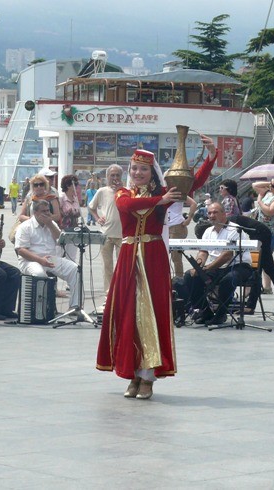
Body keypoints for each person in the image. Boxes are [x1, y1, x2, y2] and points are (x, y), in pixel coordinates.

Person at [96, 149, 183, 400]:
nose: (138, 173)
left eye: (143, 169)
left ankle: (148, 378)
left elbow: (191, 181)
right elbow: (126, 206)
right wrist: (160, 201)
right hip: (128, 255)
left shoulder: (161, 193)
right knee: (127, 312)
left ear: (151, 172)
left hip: (153, 255)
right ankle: (132, 373)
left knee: (152, 312)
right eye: (134, 168)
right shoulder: (124, 193)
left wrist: (211, 156)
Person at [178, 202, 252, 325]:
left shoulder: (234, 229)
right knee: (190, 276)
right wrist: (198, 267)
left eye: (215, 212)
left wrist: (207, 268)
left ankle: (221, 314)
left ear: (224, 214)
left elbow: (227, 255)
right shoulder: (208, 231)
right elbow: (203, 252)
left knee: (228, 280)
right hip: (217, 267)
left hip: (238, 266)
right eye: (209, 213)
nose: (212, 215)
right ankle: (205, 311)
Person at [14, 199, 81, 311]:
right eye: (43, 211)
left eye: (48, 211)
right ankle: (43, 309)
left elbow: (60, 241)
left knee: (75, 270)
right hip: (30, 260)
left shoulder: (51, 223)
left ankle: (74, 307)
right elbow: (21, 250)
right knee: (40, 274)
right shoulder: (25, 227)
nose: (47, 213)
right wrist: (40, 260)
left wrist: (50, 224)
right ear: (35, 213)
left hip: (50, 259)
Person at [234, 214, 274, 317]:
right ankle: (250, 306)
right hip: (257, 234)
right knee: (256, 271)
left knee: (269, 270)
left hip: (261, 234)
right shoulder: (223, 222)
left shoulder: (226, 223)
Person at [88, 164, 124, 293]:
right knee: (107, 266)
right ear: (107, 177)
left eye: (117, 175)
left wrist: (121, 189)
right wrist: (97, 218)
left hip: (123, 235)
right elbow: (91, 207)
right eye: (112, 175)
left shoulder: (127, 191)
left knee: (122, 267)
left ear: (122, 176)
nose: (115, 178)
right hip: (106, 234)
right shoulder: (102, 191)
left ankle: (120, 293)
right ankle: (108, 294)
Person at [167, 195, 197, 280]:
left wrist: (189, 219)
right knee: (163, 255)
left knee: (176, 256)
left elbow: (193, 203)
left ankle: (179, 279)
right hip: (165, 227)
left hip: (177, 225)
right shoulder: (160, 191)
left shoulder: (179, 193)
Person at [59, 174, 82, 260]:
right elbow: (58, 211)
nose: (76, 187)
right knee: (60, 253)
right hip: (64, 229)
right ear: (68, 185)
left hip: (74, 229)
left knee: (72, 256)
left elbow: (78, 212)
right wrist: (66, 213)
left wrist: (77, 213)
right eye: (74, 184)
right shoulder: (61, 197)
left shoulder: (75, 198)